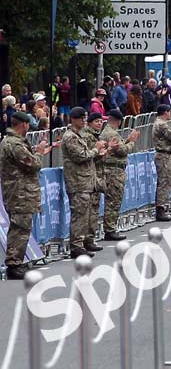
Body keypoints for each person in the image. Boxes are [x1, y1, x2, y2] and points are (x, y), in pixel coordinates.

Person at [0, 112, 52, 279]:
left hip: (20, 191)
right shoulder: (14, 143)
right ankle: (14, 263)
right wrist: (39, 152)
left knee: (22, 228)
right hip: (19, 192)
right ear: (24, 124)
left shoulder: (14, 142)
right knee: (19, 228)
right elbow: (33, 164)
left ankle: (17, 261)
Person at [62, 107, 108, 257]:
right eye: (81, 118)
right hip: (77, 182)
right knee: (79, 215)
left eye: (84, 118)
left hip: (85, 181)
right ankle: (76, 246)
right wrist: (96, 149)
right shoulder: (70, 137)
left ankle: (82, 243)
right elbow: (81, 156)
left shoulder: (78, 135)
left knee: (85, 215)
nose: (83, 120)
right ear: (73, 119)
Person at [99, 109, 139, 240]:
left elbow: (119, 148)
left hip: (113, 170)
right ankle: (110, 229)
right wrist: (132, 141)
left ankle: (110, 228)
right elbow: (122, 151)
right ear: (119, 121)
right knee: (113, 201)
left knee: (113, 200)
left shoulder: (109, 132)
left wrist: (127, 140)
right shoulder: (111, 133)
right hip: (113, 171)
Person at [82, 112, 108, 250]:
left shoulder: (96, 135)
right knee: (89, 210)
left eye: (101, 121)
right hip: (89, 176)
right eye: (97, 121)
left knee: (94, 209)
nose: (99, 124)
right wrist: (99, 151)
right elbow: (87, 155)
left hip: (97, 175)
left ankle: (90, 238)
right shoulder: (87, 136)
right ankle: (86, 240)